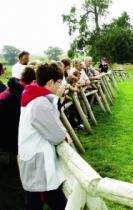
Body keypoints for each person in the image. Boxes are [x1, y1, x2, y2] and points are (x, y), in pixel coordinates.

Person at [18, 63, 67, 210]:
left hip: (33, 157)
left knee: (39, 199)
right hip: (38, 162)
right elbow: (57, 135)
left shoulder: (34, 96)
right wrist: (64, 133)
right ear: (50, 82)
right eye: (59, 82)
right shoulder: (39, 102)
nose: (60, 86)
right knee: (45, 199)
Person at [0, 67, 36, 210]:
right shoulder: (21, 97)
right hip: (6, 150)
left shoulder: (10, 93)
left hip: (6, 147)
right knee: (14, 190)